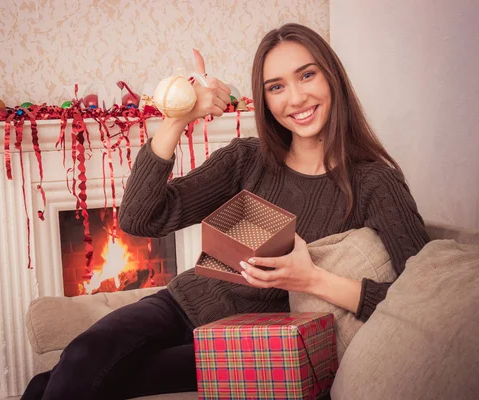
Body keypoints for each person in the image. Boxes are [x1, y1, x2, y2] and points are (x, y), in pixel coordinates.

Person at [22, 23, 429, 400]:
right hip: (180, 303)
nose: (296, 98)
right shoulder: (246, 159)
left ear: (332, 78)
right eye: (276, 87)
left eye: (307, 75)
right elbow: (141, 217)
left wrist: (313, 279)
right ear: (266, 100)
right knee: (81, 355)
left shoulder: (376, 183)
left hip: (249, 342)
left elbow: (419, 296)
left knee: (78, 379)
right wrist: (177, 120)